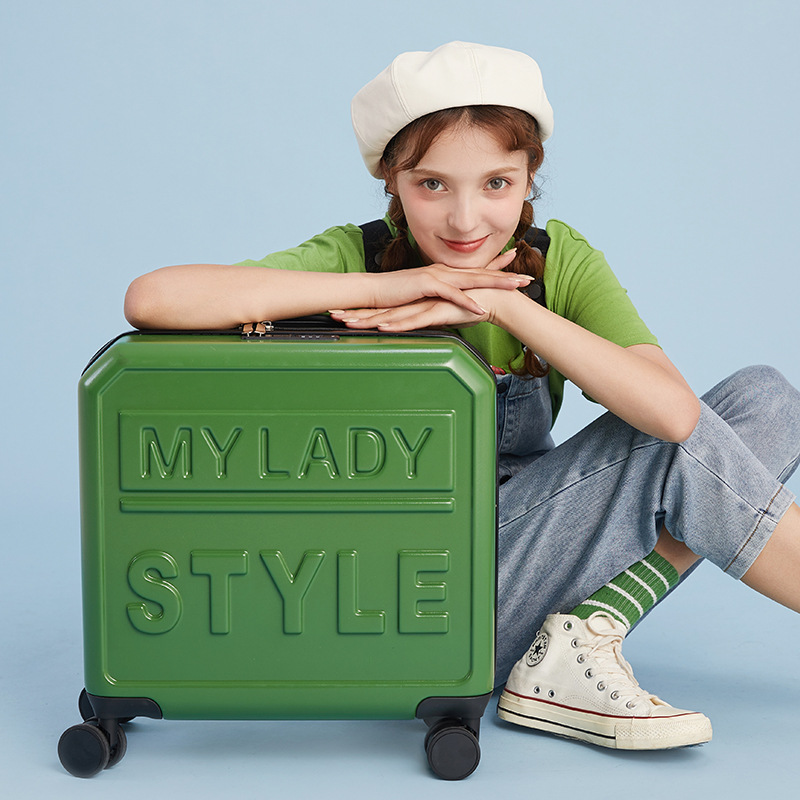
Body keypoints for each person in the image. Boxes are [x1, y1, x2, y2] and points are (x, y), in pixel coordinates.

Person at [124, 41, 800, 751]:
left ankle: (573, 645)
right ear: (392, 181)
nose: (466, 221)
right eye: (433, 185)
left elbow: (674, 413)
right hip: (417, 596)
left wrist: (504, 305)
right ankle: (555, 658)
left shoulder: (558, 262)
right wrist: (395, 286)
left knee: (766, 401)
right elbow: (153, 298)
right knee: (680, 445)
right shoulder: (355, 257)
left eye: (497, 184)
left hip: (535, 545)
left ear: (530, 176)